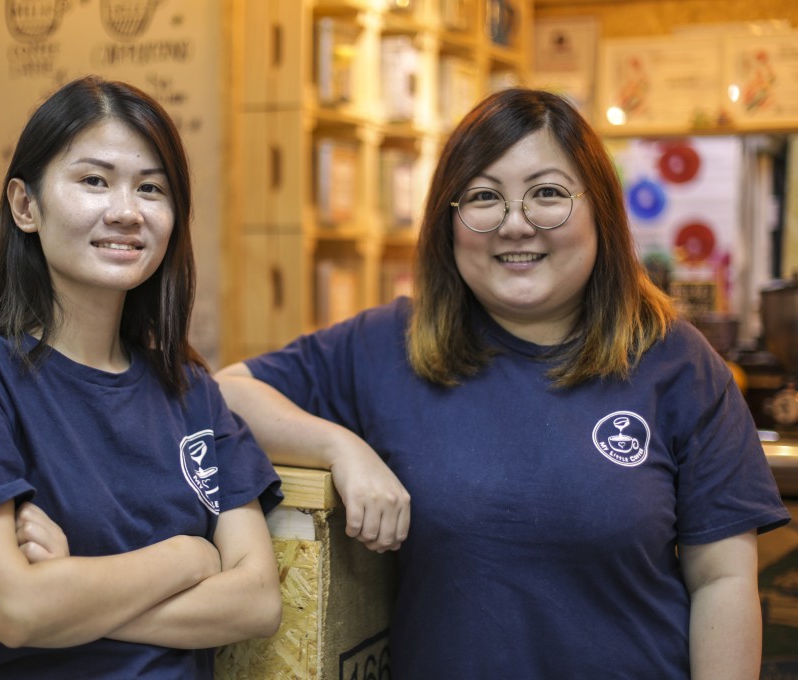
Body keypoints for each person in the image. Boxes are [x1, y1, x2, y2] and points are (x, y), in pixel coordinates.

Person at [216, 88, 790, 678]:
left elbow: (722, 580)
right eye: (485, 197)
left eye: (547, 194)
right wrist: (340, 448)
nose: (515, 225)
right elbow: (226, 392)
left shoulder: (675, 362)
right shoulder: (389, 344)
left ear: (601, 210)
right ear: (450, 219)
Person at [0, 76, 283, 679]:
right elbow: (15, 608)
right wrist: (190, 556)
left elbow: (257, 601)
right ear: (25, 206)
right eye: (94, 180)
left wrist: (70, 588)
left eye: (152, 188)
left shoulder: (189, 388)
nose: (127, 212)